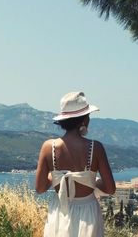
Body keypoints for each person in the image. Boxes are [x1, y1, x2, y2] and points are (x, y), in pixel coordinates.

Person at [35, 92, 116, 237]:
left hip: (60, 211)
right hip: (88, 213)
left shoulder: (48, 147)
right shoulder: (95, 148)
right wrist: (93, 181)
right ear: (84, 119)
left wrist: (55, 177)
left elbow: (40, 188)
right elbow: (110, 189)